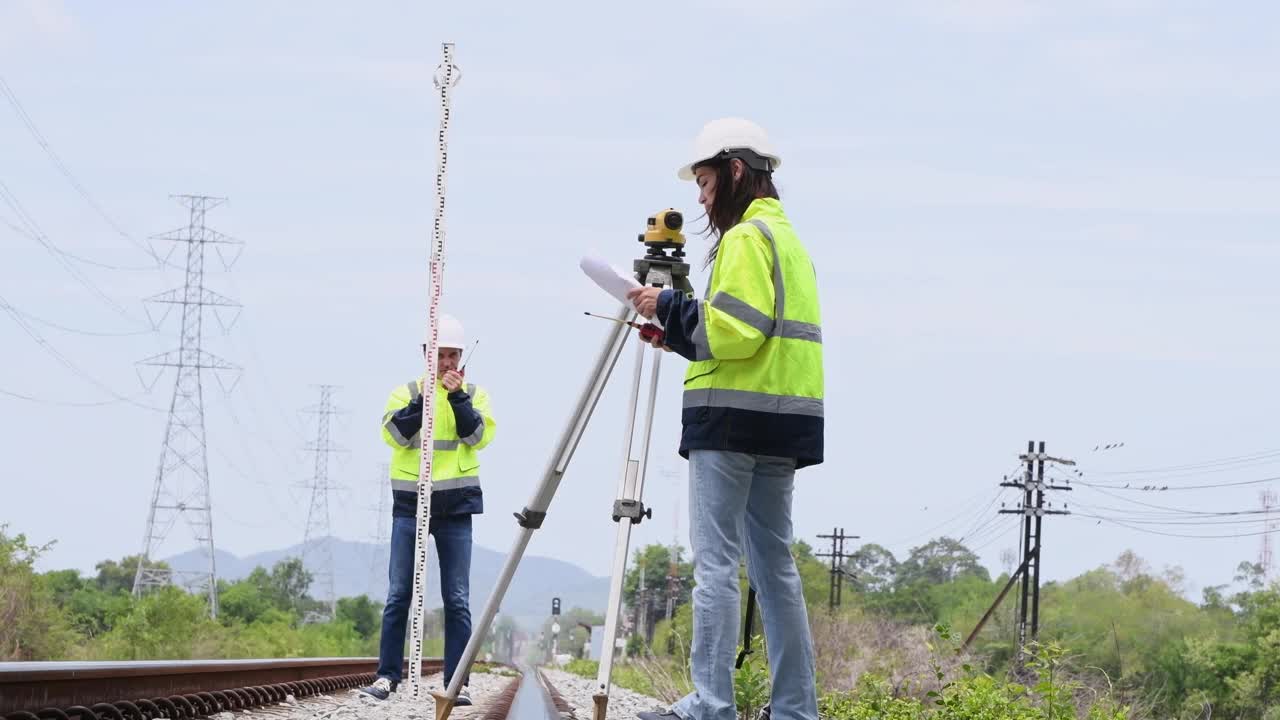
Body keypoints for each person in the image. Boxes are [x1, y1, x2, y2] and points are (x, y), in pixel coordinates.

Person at [627, 118, 823, 720]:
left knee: (715, 565)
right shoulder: (789, 241)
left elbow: (736, 331)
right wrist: (681, 332)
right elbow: (756, 335)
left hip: (731, 422)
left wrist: (669, 307)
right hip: (783, 422)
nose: (702, 196)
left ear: (737, 171)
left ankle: (710, 705)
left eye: (707, 181)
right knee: (774, 567)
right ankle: (795, 709)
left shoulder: (744, 239)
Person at [359, 313, 496, 704]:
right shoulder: (404, 393)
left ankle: (457, 683)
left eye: (454, 356)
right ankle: (386, 678)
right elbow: (396, 434)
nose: (448, 364)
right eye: (441, 356)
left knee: (457, 598)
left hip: (456, 509)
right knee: (398, 593)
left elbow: (476, 435)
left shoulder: (474, 394)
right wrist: (426, 399)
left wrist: (455, 397)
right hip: (409, 506)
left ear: (463, 357)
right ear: (426, 356)